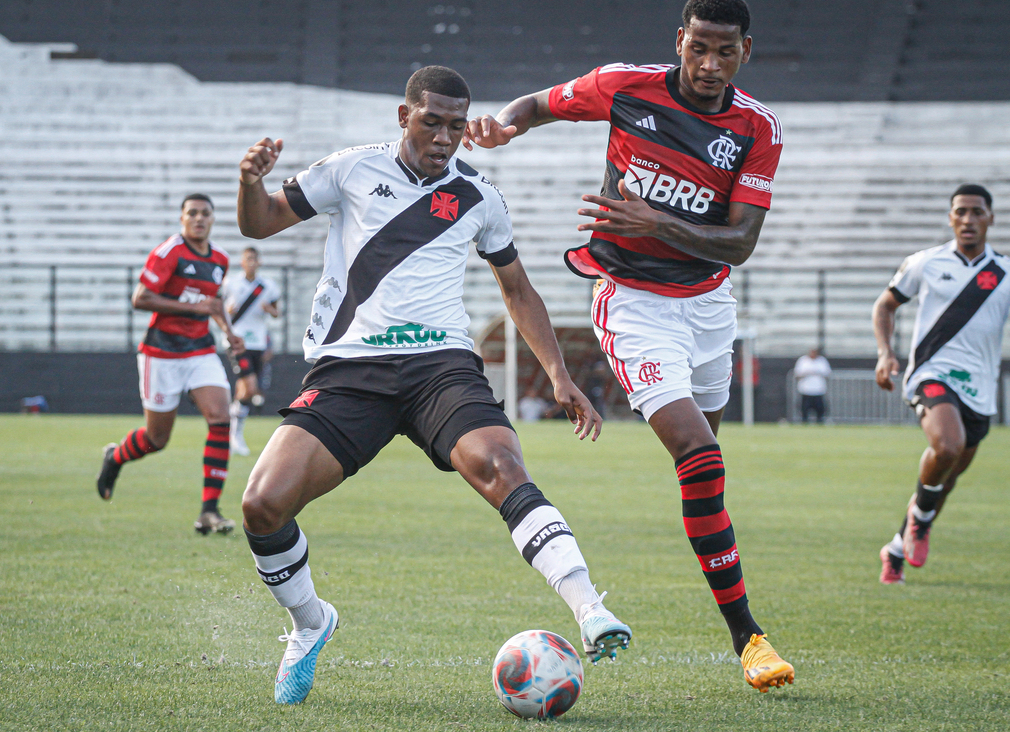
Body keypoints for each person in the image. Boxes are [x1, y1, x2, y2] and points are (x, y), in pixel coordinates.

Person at [236, 65, 631, 705]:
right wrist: (249, 182)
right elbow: (260, 224)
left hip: (439, 366)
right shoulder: (351, 170)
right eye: (432, 122)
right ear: (404, 116)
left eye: (455, 124)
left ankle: (590, 610)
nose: (445, 137)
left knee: (500, 464)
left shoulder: (480, 197)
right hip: (348, 370)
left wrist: (560, 375)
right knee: (262, 505)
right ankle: (310, 624)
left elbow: (517, 289)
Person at [463, 0, 794, 692]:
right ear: (680, 40)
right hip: (633, 302)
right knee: (699, 455)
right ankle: (750, 637)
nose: (707, 65)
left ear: (745, 53)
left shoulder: (756, 129)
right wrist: (505, 127)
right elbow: (537, 103)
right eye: (697, 47)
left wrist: (657, 219)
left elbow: (740, 241)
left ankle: (709, 542)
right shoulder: (625, 86)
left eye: (724, 52)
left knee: (709, 467)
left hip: (708, 307)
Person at [873, 184, 1007, 584]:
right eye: (961, 211)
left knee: (945, 481)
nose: (968, 219)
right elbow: (885, 305)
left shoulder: (1003, 273)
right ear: (950, 217)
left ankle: (898, 545)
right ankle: (920, 519)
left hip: (981, 388)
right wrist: (885, 352)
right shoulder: (925, 263)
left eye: (977, 212)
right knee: (946, 445)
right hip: (932, 374)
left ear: (990, 219)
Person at [95, 194, 245, 535]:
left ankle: (209, 510)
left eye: (205, 214)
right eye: (192, 213)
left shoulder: (219, 258)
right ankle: (115, 457)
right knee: (156, 439)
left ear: (212, 219)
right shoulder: (168, 253)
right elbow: (140, 299)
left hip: (200, 351)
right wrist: (196, 310)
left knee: (221, 418)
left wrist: (229, 333)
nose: (199, 219)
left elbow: (214, 303)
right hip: (161, 353)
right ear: (182, 219)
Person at [224, 246, 282, 455]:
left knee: (245, 391)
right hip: (238, 341)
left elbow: (277, 312)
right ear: (242, 262)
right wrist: (228, 311)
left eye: (254, 259)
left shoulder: (267, 286)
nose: (251, 262)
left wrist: (269, 310)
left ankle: (232, 433)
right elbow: (217, 308)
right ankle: (235, 436)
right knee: (249, 388)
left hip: (258, 342)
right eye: (247, 259)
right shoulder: (231, 283)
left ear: (259, 262)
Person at [794, 347, 831, 423]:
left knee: (820, 409)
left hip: (818, 390)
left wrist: (817, 373)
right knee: (805, 409)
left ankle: (820, 422)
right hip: (805, 390)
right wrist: (806, 373)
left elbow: (827, 374)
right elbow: (797, 374)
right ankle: (804, 423)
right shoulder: (803, 360)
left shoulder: (822, 361)